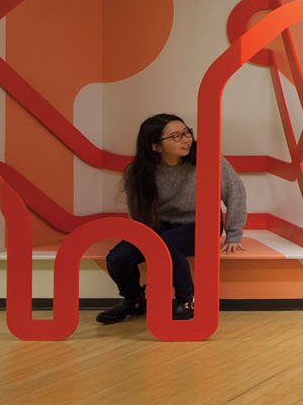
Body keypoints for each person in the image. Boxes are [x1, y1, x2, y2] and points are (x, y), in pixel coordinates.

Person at [96, 113, 248, 324]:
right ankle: (134, 300)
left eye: (187, 133)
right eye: (176, 136)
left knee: (167, 244)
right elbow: (136, 210)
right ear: (156, 146)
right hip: (159, 225)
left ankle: (187, 300)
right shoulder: (138, 171)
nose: (185, 139)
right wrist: (141, 237)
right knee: (118, 257)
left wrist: (234, 235)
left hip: (201, 224)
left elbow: (235, 192)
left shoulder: (208, 159)